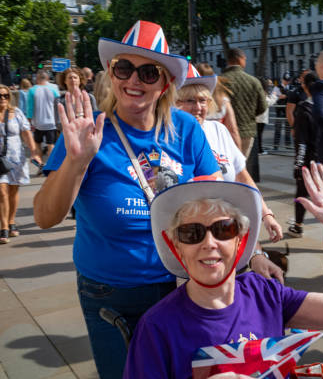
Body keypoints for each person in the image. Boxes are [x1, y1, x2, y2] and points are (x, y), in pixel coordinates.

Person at [32, 20, 224, 379]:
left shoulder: (186, 130)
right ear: (111, 73)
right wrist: (77, 161)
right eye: (124, 68)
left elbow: (213, 205)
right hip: (108, 295)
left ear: (165, 83)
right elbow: (45, 217)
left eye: (148, 72)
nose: (134, 80)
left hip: (178, 287)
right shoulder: (89, 131)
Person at [123, 164, 323, 378]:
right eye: (192, 233)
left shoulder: (264, 294)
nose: (209, 243)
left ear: (240, 240)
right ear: (177, 245)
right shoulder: (157, 327)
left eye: (223, 230)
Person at [176, 65, 284, 281]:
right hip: (190, 249)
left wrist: (266, 214)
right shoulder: (166, 138)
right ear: (173, 103)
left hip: (228, 238)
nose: (197, 107)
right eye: (189, 101)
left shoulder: (218, 130)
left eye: (202, 100)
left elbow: (242, 177)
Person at [0, 85, 42, 243]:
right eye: (0, 96)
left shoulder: (16, 112)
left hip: (16, 157)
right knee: (2, 191)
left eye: (5, 96)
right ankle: (3, 227)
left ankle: (11, 221)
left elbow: (26, 132)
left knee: (13, 190)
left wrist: (34, 152)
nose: (3, 99)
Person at [288, 71, 318, 238]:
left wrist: (298, 165)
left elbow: (301, 141)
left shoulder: (304, 110)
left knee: (301, 193)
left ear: (305, 87)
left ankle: (298, 225)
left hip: (309, 159)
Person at [221, 49, 267, 158]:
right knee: (241, 164)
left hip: (224, 131)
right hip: (247, 130)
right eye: (245, 59)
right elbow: (263, 107)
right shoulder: (253, 81)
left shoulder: (220, 81)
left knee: (225, 165)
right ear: (240, 59)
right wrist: (249, 114)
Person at [197, 63, 241, 150]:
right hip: (220, 146)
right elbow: (233, 130)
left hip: (198, 145)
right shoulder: (223, 101)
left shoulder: (188, 102)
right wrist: (239, 153)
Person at [26, 69, 60, 158]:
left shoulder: (32, 90)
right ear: (48, 78)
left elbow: (30, 109)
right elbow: (58, 108)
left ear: (36, 79)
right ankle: (50, 168)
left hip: (37, 124)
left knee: (37, 145)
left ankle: (40, 166)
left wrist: (28, 122)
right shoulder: (54, 90)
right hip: (51, 123)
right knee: (51, 145)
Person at [55, 67, 98, 132]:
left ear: (80, 80)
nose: (73, 80)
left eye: (75, 77)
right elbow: (58, 122)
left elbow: (95, 116)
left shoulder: (90, 98)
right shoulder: (59, 100)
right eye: (70, 78)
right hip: (67, 134)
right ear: (65, 81)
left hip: (86, 133)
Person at [255, 77, 279, 154]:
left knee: (258, 134)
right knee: (259, 134)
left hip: (257, 117)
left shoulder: (257, 91)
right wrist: (274, 96)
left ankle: (258, 149)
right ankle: (259, 150)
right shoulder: (262, 93)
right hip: (261, 117)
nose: (269, 85)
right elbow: (269, 102)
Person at [273, 72, 291, 150]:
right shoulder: (277, 87)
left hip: (287, 109)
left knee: (288, 128)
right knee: (278, 128)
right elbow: (273, 97)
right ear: (282, 79)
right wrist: (279, 97)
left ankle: (288, 144)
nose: (286, 82)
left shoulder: (290, 87)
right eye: (285, 80)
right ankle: (276, 145)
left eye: (288, 80)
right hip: (279, 110)